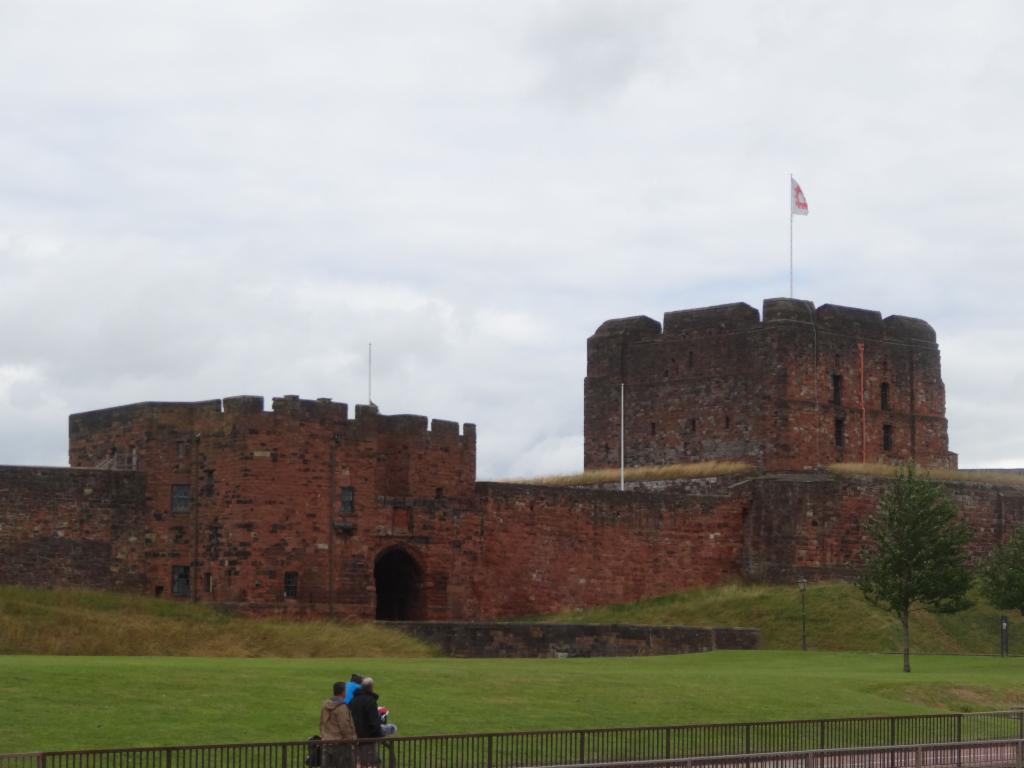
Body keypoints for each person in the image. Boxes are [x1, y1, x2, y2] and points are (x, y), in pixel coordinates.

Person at [319, 682, 356, 768]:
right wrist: (350, 740)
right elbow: (345, 727)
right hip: (340, 745)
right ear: (343, 692)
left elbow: (322, 723)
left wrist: (324, 736)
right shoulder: (341, 707)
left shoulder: (325, 706)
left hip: (327, 743)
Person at [349, 677, 384, 766]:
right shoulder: (370, 701)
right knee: (369, 764)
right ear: (371, 687)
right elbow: (374, 722)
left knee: (357, 763)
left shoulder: (353, 700)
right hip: (368, 740)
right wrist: (378, 735)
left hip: (354, 738)